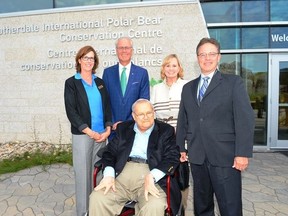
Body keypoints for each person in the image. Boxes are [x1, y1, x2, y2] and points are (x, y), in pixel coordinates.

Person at [176, 38, 255, 216]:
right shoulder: (188, 88)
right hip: (197, 157)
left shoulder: (233, 83)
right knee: (202, 207)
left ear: (219, 57)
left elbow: (245, 119)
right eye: (203, 54)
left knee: (230, 207)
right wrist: (181, 146)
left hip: (225, 157)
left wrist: (242, 153)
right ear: (197, 58)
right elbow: (184, 118)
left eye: (211, 54)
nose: (207, 58)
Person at [89, 99, 181, 216]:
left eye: (149, 113)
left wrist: (152, 176)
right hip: (121, 175)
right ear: (134, 116)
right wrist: (108, 174)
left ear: (154, 113)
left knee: (154, 205)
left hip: (151, 176)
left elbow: (172, 156)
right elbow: (109, 152)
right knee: (98, 198)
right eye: (141, 114)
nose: (146, 117)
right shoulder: (123, 128)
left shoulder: (165, 130)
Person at [64, 45, 112, 216]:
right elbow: (71, 111)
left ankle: (97, 209)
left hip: (101, 136)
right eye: (86, 58)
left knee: (97, 174)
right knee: (84, 177)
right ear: (79, 60)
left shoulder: (100, 82)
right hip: (84, 136)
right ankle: (83, 212)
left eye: (91, 58)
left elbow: (107, 106)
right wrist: (89, 131)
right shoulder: (72, 83)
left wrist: (107, 128)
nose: (89, 61)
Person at [150, 54, 189, 209]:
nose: (171, 69)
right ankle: (167, 207)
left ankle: (182, 209)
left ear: (179, 68)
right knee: (164, 173)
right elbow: (152, 114)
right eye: (168, 65)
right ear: (163, 69)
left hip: (183, 138)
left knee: (182, 176)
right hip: (163, 140)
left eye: (174, 65)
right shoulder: (156, 88)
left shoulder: (187, 86)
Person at [102, 37, 150, 138]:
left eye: (127, 47)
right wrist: (113, 123)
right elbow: (105, 101)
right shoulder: (108, 73)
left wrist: (126, 123)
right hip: (114, 131)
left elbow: (144, 101)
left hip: (135, 128)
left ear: (132, 50)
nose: (124, 50)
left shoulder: (142, 73)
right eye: (121, 48)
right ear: (116, 50)